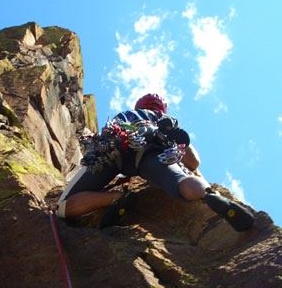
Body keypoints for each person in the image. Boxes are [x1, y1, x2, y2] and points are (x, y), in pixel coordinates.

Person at [56, 93, 254, 231]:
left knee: (63, 207)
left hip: (113, 147)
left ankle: (116, 199)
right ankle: (209, 195)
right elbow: (193, 163)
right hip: (153, 150)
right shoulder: (165, 120)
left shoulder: (123, 116)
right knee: (181, 179)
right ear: (161, 108)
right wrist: (178, 141)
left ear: (140, 105)